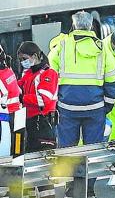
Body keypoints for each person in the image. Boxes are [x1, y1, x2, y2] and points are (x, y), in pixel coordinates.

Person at [48, 11, 115, 198]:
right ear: (90, 26)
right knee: (93, 150)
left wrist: (55, 103)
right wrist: (107, 106)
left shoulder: (62, 46)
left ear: (73, 25)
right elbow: (113, 80)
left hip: (67, 108)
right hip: (95, 109)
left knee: (68, 150)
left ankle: (71, 188)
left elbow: (49, 77)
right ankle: (88, 189)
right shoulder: (102, 48)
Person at [17, 41, 58, 198]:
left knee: (42, 169)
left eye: (24, 58)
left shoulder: (49, 74)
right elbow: (16, 88)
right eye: (20, 60)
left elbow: (43, 100)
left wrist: (22, 98)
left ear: (35, 56)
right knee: (27, 169)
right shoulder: (28, 74)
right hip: (29, 124)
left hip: (43, 125)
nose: (23, 62)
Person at [0, 44, 21, 157]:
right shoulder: (8, 71)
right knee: (17, 152)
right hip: (16, 115)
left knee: (7, 154)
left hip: (5, 118)